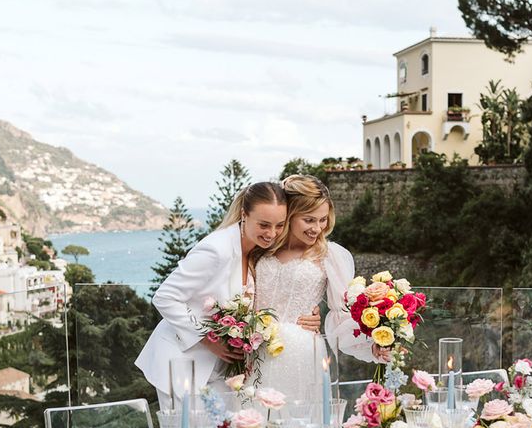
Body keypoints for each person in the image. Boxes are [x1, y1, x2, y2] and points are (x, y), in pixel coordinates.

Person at [135, 182, 319, 409]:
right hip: (182, 361)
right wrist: (207, 338)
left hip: (221, 371)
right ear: (244, 214)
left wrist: (308, 315)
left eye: (279, 225)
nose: (272, 233)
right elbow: (165, 296)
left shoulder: (256, 253)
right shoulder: (217, 250)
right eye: (264, 224)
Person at [252, 175, 378, 399]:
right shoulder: (261, 245)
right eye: (309, 220)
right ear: (289, 215)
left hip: (301, 355)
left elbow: (343, 315)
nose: (317, 228)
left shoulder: (330, 255)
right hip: (252, 352)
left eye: (323, 220)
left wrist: (372, 344)